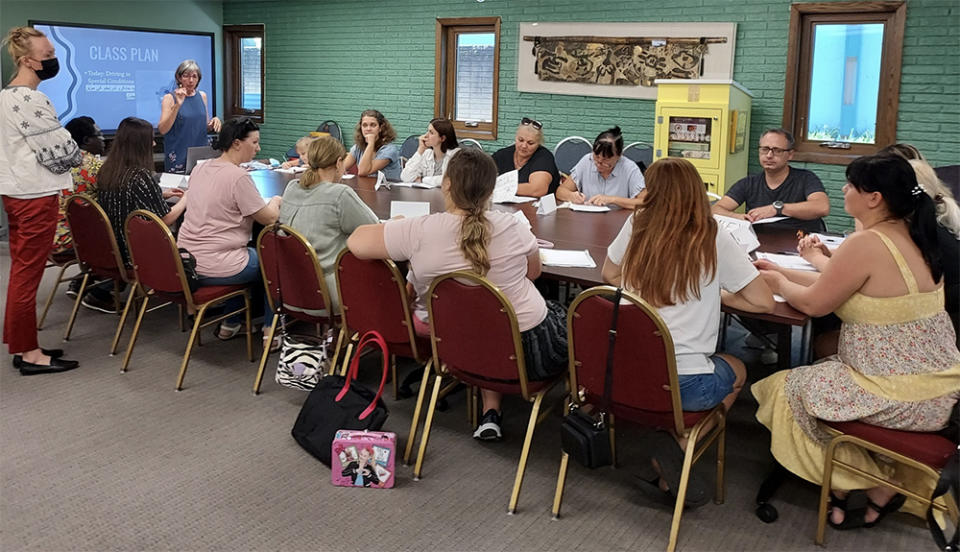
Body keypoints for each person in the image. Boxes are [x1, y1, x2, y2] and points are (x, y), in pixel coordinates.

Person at [752, 153, 960, 530]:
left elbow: (816, 303)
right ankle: (872, 479)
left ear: (874, 197)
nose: (843, 191)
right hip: (940, 386)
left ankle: (866, 480)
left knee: (784, 387)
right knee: (820, 370)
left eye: (850, 185)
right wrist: (780, 270)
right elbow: (844, 286)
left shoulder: (867, 243)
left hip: (899, 393)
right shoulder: (914, 233)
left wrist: (778, 283)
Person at [347, 149, 568, 440]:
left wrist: (394, 226)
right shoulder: (513, 225)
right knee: (559, 316)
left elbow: (356, 242)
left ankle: (491, 406)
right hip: (526, 352)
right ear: (491, 189)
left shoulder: (420, 229)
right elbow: (534, 273)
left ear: (446, 184)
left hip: (453, 346)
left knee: (480, 317)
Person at [602, 157, 774, 505]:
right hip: (685, 384)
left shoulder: (638, 222)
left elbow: (609, 275)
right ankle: (682, 444)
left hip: (626, 375)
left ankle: (666, 445)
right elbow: (763, 302)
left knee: (668, 368)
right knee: (738, 368)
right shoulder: (710, 234)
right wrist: (717, 293)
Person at [0, 26, 83, 374]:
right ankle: (30, 354)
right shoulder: (30, 100)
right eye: (47, 56)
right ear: (27, 60)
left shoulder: (5, 97)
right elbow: (67, 153)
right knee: (27, 274)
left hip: (16, 193)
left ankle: (23, 344)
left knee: (22, 271)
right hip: (34, 196)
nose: (53, 60)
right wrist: (73, 152)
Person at [176, 117, 280, 344]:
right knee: (272, 260)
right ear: (236, 143)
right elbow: (270, 218)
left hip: (186, 262)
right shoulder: (238, 177)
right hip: (218, 264)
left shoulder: (200, 168)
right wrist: (278, 200)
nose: (258, 148)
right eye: (254, 142)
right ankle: (270, 331)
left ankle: (231, 323)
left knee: (248, 252)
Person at [79, 117, 188, 312]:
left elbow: (127, 195)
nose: (154, 144)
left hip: (114, 250)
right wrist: (187, 198)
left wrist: (160, 193)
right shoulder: (141, 176)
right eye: (151, 140)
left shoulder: (108, 171)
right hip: (136, 255)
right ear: (140, 145)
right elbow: (164, 220)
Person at [279, 135, 378, 312]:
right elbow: (374, 230)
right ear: (339, 163)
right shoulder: (340, 194)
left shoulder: (292, 187)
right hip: (331, 292)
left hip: (290, 290)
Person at [712, 128, 829, 232]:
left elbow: (822, 207)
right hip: (760, 245)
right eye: (765, 149)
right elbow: (715, 209)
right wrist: (736, 217)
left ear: (790, 154)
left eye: (777, 150)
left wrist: (777, 209)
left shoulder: (806, 178)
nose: (769, 155)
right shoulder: (748, 183)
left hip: (801, 244)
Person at [158, 59, 222, 174]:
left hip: (200, 154)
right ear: (179, 78)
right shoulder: (169, 98)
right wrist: (178, 105)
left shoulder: (202, 96)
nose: (190, 80)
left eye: (194, 77)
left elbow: (205, 126)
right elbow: (163, 129)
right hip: (179, 154)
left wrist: (214, 121)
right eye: (186, 76)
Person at [556, 126, 645, 208]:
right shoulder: (587, 161)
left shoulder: (629, 168)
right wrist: (572, 196)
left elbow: (645, 202)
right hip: (588, 219)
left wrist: (613, 200)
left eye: (606, 159)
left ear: (619, 155)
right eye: (596, 156)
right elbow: (560, 191)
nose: (599, 162)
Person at [54, 116, 105, 255]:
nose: (103, 139)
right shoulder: (94, 166)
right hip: (73, 239)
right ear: (87, 140)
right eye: (99, 136)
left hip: (48, 236)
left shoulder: (56, 162)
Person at [491, 118, 561, 197]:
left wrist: (500, 188)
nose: (524, 146)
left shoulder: (544, 158)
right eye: (520, 140)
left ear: (538, 143)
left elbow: (537, 190)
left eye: (530, 143)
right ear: (515, 138)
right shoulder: (503, 154)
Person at [342, 109, 400, 181]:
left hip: (387, 190)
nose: (368, 129)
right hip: (366, 189)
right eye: (364, 125)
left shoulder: (390, 150)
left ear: (380, 128)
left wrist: (370, 144)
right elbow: (341, 168)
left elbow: (363, 171)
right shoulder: (357, 147)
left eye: (373, 125)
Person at [400, 118, 460, 186]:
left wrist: (423, 179)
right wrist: (420, 150)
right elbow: (405, 177)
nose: (426, 136)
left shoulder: (456, 156)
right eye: (427, 131)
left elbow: (449, 180)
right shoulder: (426, 154)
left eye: (431, 133)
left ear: (442, 138)